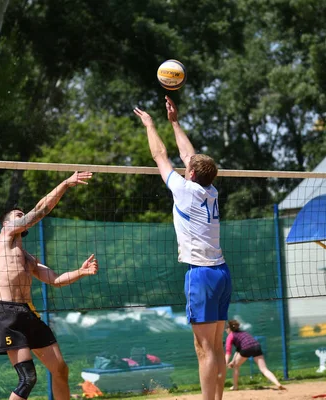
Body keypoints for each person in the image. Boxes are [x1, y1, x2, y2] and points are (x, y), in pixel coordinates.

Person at [134, 96, 232, 400]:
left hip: (201, 275)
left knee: (204, 351)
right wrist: (174, 121)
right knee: (215, 348)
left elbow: (160, 155)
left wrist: (150, 124)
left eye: (189, 166)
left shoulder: (184, 190)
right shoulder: (211, 191)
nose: (186, 164)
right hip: (221, 273)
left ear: (191, 173)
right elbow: (189, 156)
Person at [0, 171, 98, 400]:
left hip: (27, 313)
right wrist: (65, 184)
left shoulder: (27, 258)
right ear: (6, 223)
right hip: (8, 314)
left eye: (23, 215)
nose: (23, 216)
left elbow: (55, 280)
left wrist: (80, 272)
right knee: (27, 378)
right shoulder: (5, 235)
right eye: (18, 215)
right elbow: (41, 209)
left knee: (60, 369)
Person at [224, 320, 285, 391]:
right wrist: (233, 361)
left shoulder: (230, 336)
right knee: (264, 369)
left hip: (246, 348)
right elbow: (238, 350)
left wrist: (224, 364)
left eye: (225, 329)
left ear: (229, 328)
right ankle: (277, 383)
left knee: (236, 366)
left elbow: (228, 352)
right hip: (256, 346)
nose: (225, 331)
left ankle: (235, 386)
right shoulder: (243, 333)